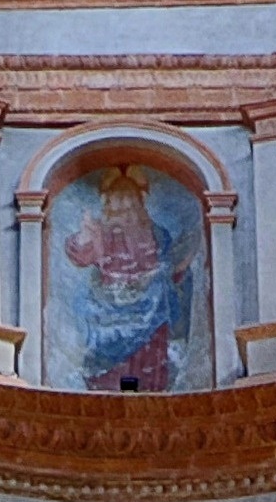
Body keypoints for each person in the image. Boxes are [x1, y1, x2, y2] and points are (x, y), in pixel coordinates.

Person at [61, 164, 193, 390]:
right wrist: (84, 236)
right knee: (108, 353)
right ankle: (107, 388)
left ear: (139, 202)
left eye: (129, 199)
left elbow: (170, 265)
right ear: (108, 202)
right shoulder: (101, 231)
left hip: (151, 307)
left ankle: (150, 387)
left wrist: (168, 271)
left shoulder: (158, 232)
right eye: (117, 199)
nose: (124, 206)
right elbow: (81, 254)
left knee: (150, 351)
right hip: (110, 306)